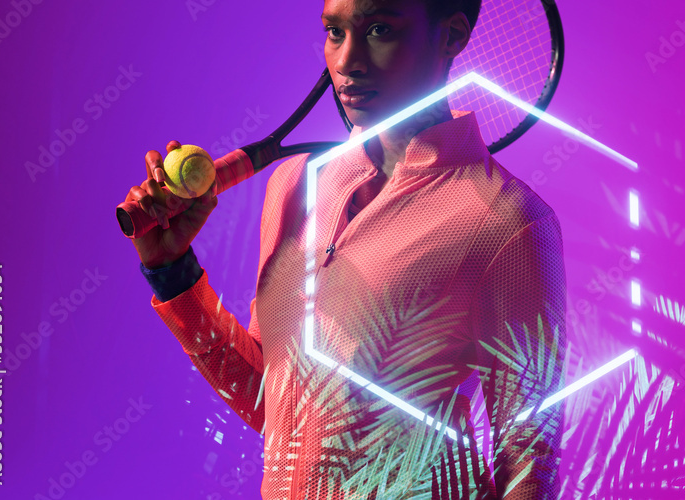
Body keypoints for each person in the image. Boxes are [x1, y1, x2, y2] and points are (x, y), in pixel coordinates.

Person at [123, 0, 567, 498]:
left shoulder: (508, 220)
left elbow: (529, 456)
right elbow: (272, 400)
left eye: (379, 28)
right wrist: (171, 270)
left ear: (452, 36)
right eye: (335, 32)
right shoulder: (293, 185)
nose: (346, 60)